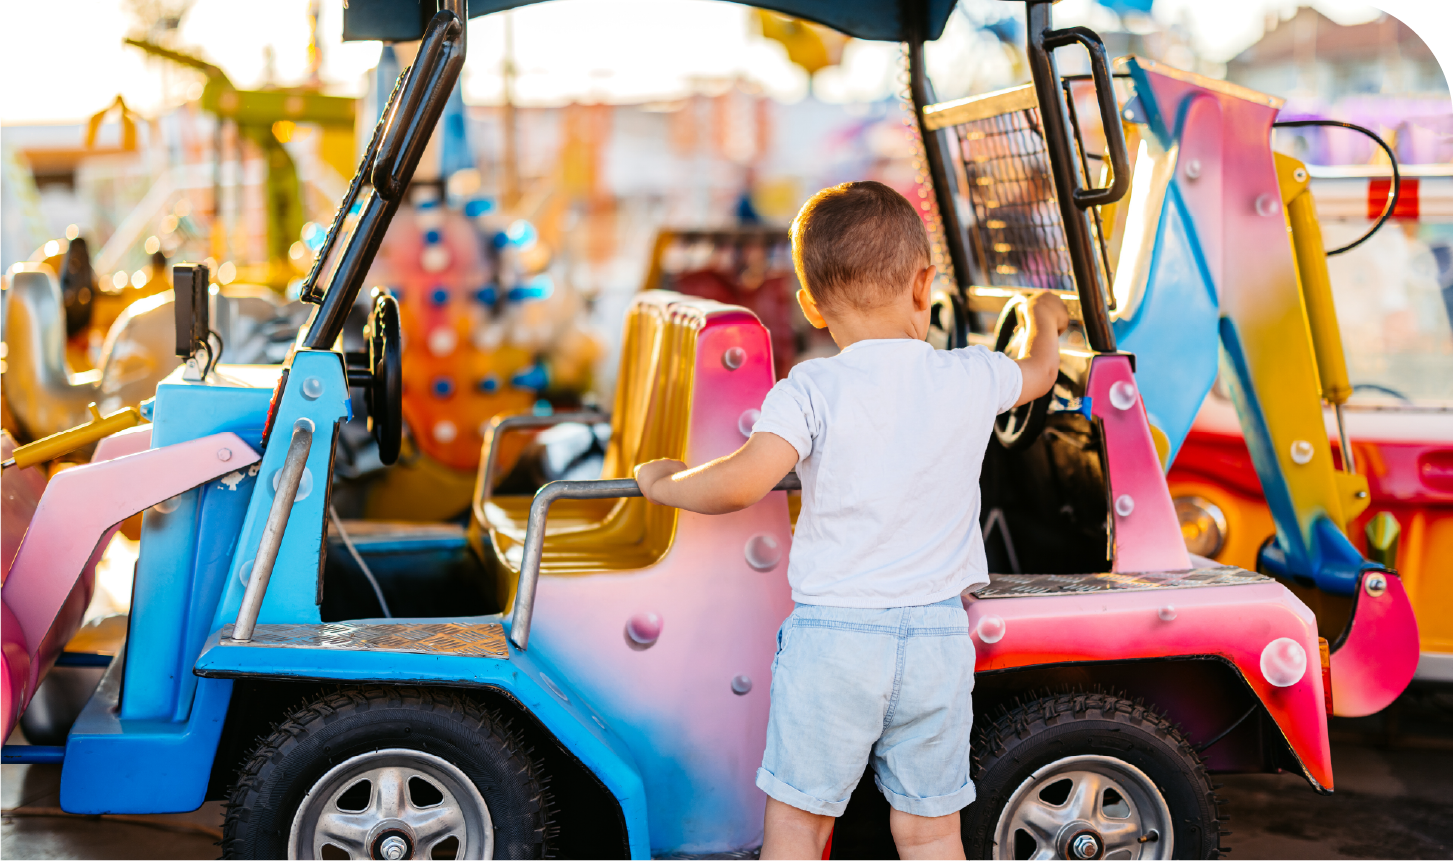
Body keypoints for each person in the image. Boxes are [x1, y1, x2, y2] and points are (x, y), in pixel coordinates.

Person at [635, 180, 1068, 861]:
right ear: (924, 285)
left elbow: (741, 480)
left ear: (809, 302)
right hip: (934, 636)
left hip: (835, 639)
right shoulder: (968, 375)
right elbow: (1039, 372)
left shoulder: (811, 388)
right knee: (928, 829)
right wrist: (1043, 312)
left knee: (800, 824)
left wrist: (661, 482)